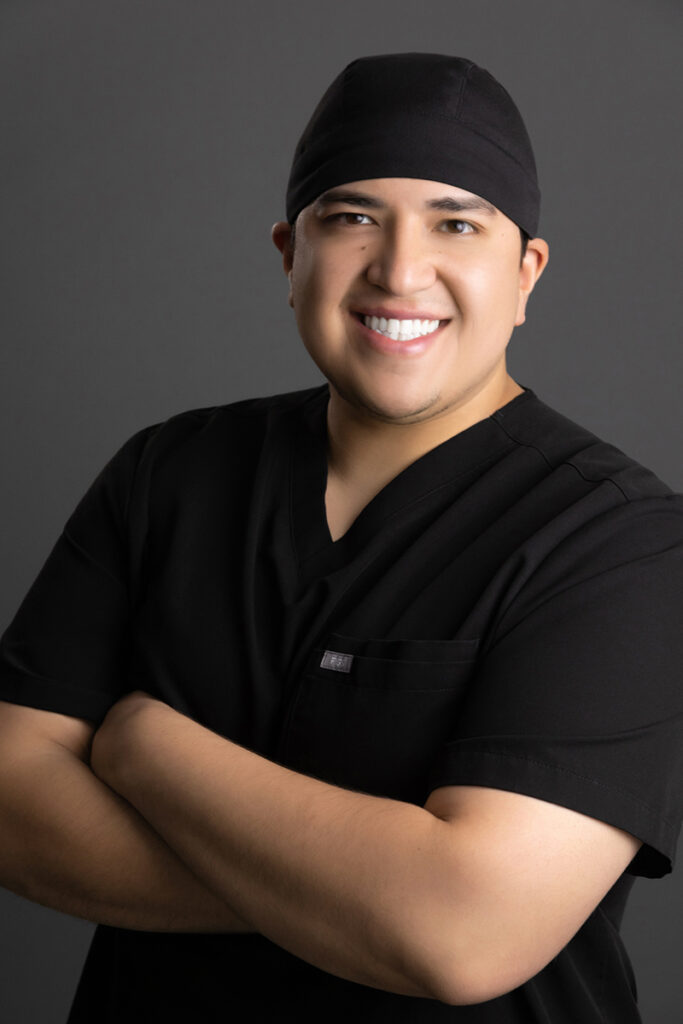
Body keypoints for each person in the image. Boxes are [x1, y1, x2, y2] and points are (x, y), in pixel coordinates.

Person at [0, 52, 681, 1023]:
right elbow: (11, 803)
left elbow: (461, 932)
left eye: (455, 222)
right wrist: (362, 899)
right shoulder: (168, 475)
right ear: (289, 254)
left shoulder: (614, 541)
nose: (400, 270)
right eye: (351, 216)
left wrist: (142, 743)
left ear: (523, 270)